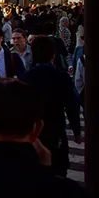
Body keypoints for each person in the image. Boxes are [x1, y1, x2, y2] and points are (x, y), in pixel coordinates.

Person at [21, 36, 82, 177]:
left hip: (33, 130)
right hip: (56, 127)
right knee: (58, 168)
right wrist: (76, 131)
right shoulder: (62, 77)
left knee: (35, 169)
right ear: (53, 55)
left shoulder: (27, 77)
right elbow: (72, 105)